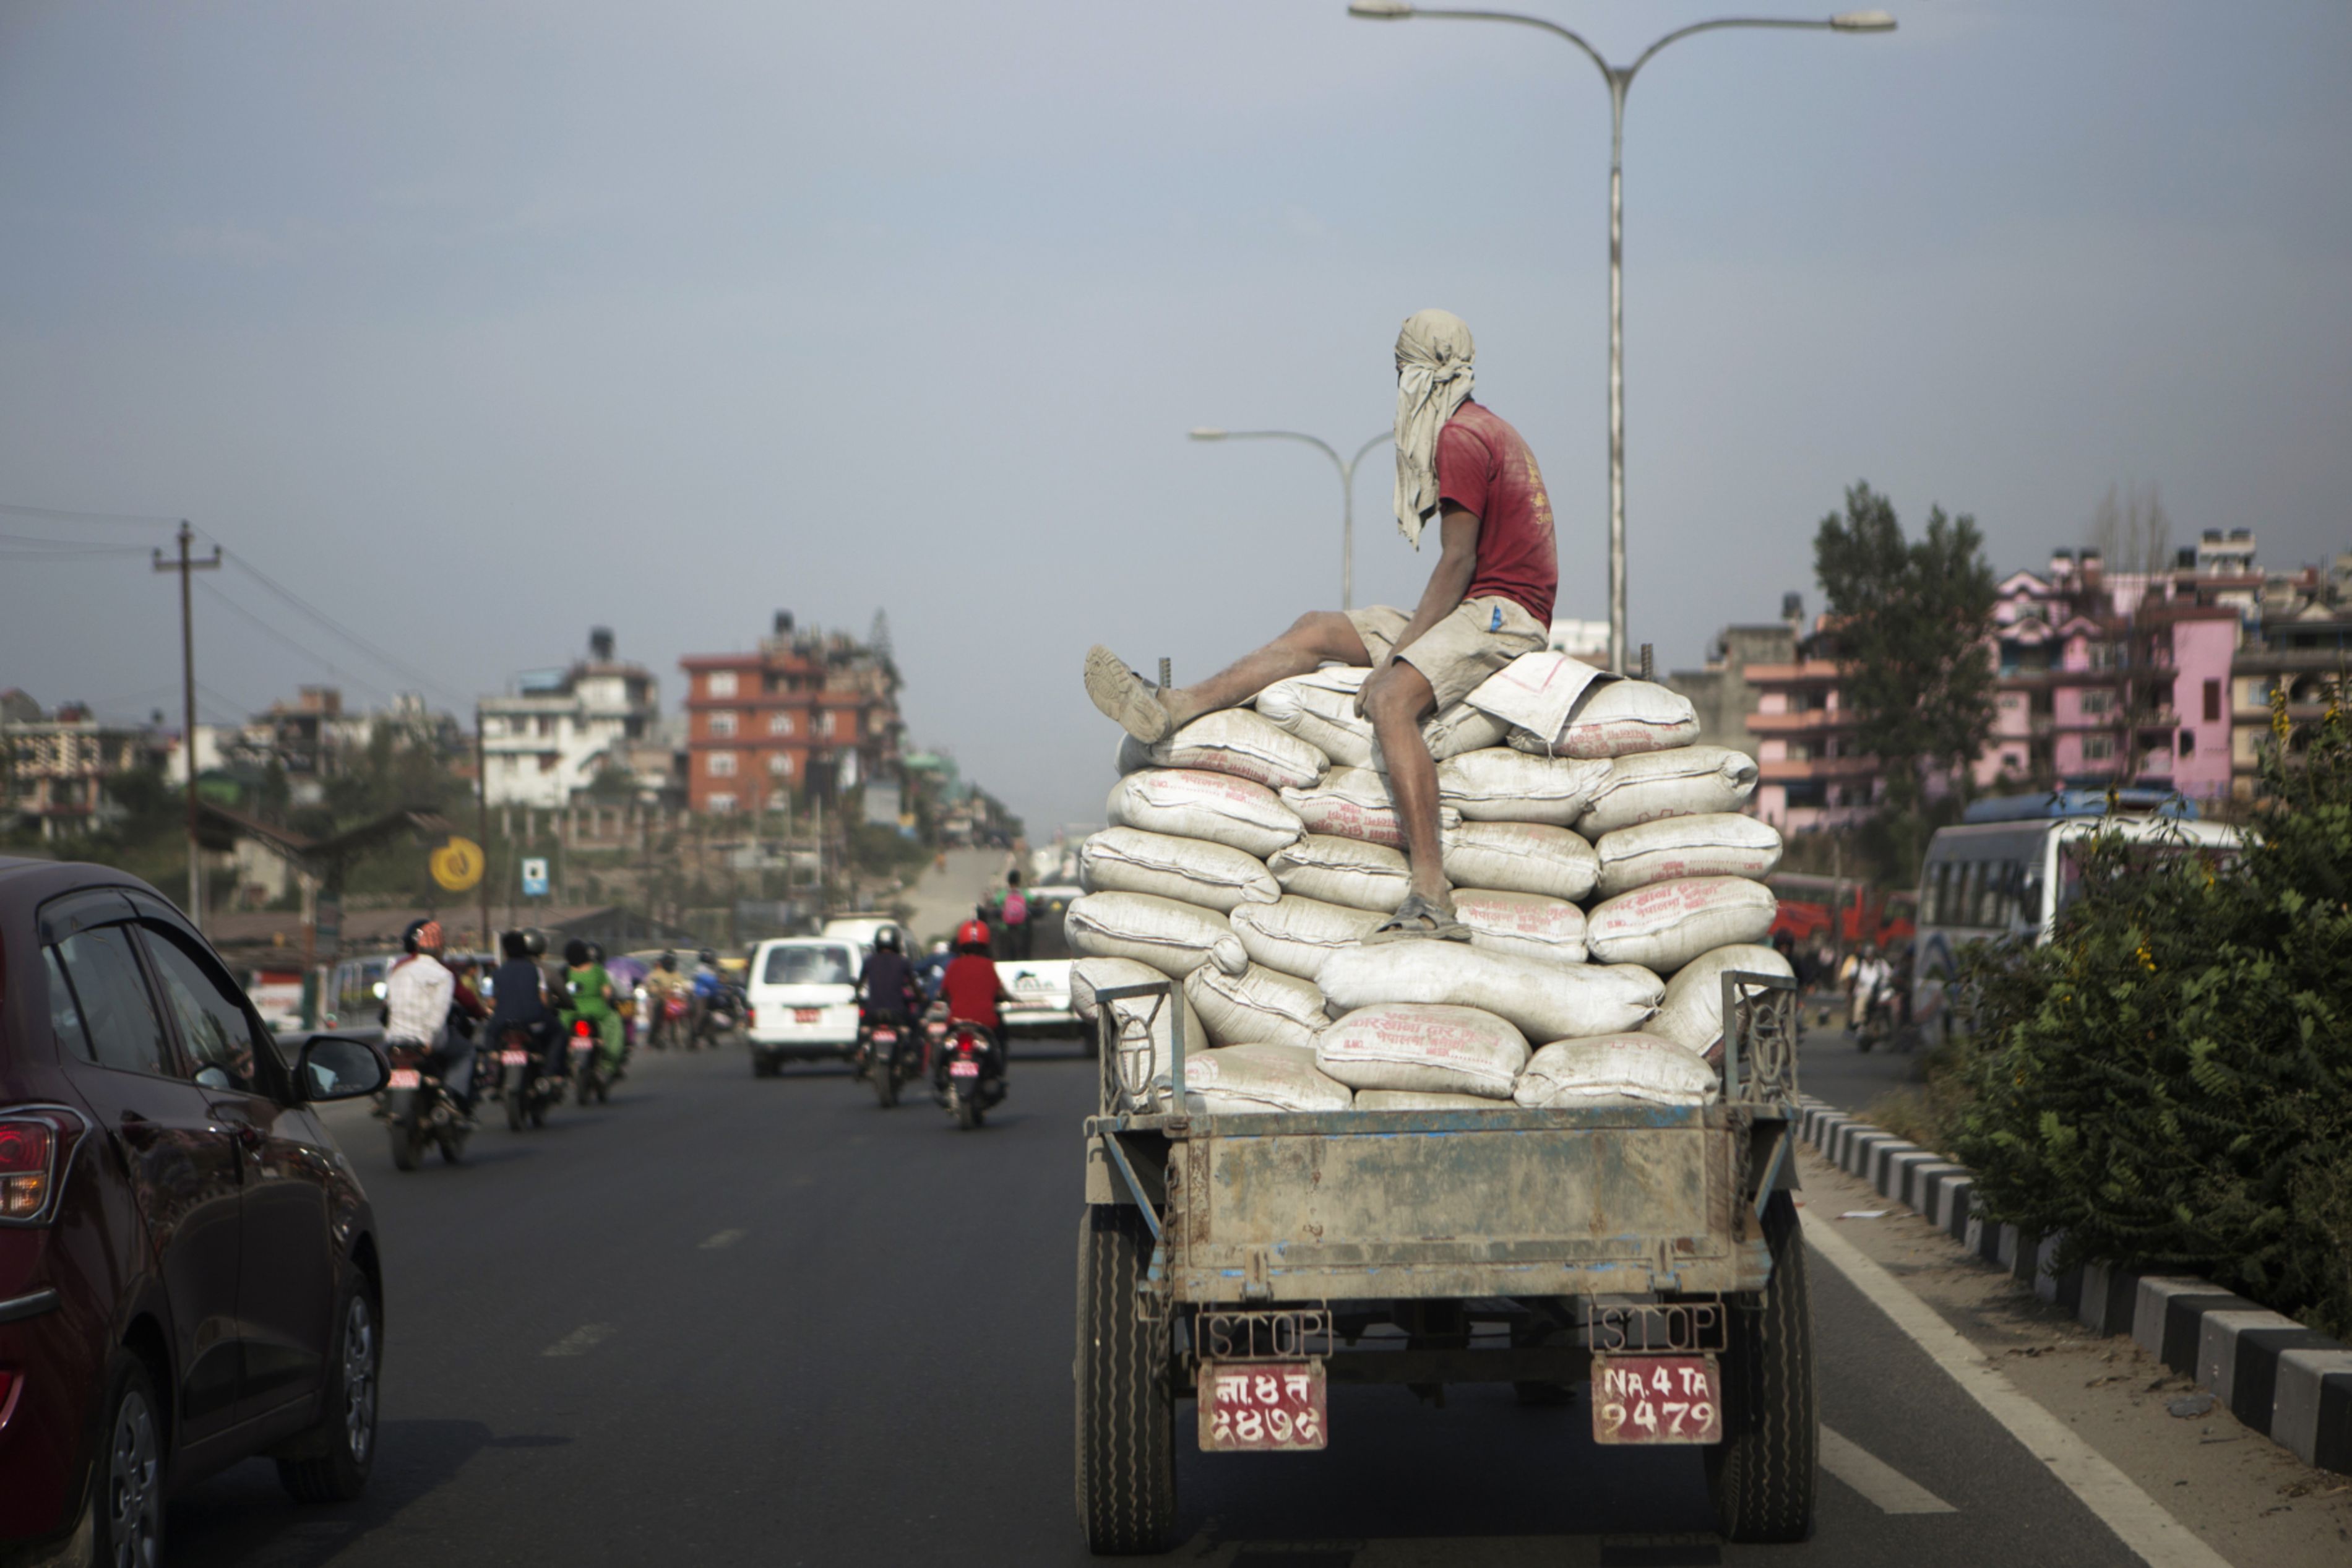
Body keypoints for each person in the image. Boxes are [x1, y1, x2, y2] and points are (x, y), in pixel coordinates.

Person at [1084, 309, 1552, 943]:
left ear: (1415, 371)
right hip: (1474, 602)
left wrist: (1398, 658)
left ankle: (1432, 890)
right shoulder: (1480, 427)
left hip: (1504, 614)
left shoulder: (1462, 438)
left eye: (1397, 368)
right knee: (1316, 628)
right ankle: (1177, 705)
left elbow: (1459, 559)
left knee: (1391, 700)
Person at [384, 919, 472, 1116]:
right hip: (427, 1041)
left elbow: (389, 1009)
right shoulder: (444, 975)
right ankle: (453, 1096)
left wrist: (391, 1037)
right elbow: (439, 1011)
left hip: (395, 1040)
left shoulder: (398, 971)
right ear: (440, 949)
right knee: (466, 1052)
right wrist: (428, 1039)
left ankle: (384, 1099)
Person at [484, 929, 561, 1087]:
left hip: (502, 1023)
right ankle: (551, 1072)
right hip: (532, 1021)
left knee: (488, 1037)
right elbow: (544, 1000)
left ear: (505, 951)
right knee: (559, 1033)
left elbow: (491, 1003)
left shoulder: (497, 973)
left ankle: (490, 1071)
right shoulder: (535, 970)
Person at [941, 917, 1012, 1061]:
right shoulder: (988, 965)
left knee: (943, 1047)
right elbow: (999, 993)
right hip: (986, 1023)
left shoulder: (954, 965)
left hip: (956, 1022)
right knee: (1001, 1038)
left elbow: (944, 993)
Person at [562, 938, 624, 1080]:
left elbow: (558, 992)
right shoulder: (597, 970)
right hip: (598, 1011)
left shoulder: (566, 972)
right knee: (614, 1023)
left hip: (571, 1012)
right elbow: (607, 993)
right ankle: (608, 1063)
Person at [856, 928, 920, 1029]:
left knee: (863, 1033)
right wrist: (920, 997)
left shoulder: (869, 961)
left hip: (873, 1013)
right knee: (915, 1030)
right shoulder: (903, 962)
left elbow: (859, 985)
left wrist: (856, 997)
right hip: (898, 1013)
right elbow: (914, 986)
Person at [645, 950, 691, 1049]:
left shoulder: (676, 974)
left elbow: (682, 986)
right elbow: (652, 988)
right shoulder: (657, 974)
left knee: (689, 1011)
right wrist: (661, 990)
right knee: (657, 1018)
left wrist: (686, 991)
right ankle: (651, 1041)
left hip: (675, 1002)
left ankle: (691, 1037)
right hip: (662, 1001)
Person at [997, 869, 1032, 961]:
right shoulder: (1023, 893)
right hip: (1021, 927)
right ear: (1019, 881)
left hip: (1006, 927)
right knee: (1022, 952)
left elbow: (995, 902)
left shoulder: (1004, 894)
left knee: (1007, 952)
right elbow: (1034, 900)